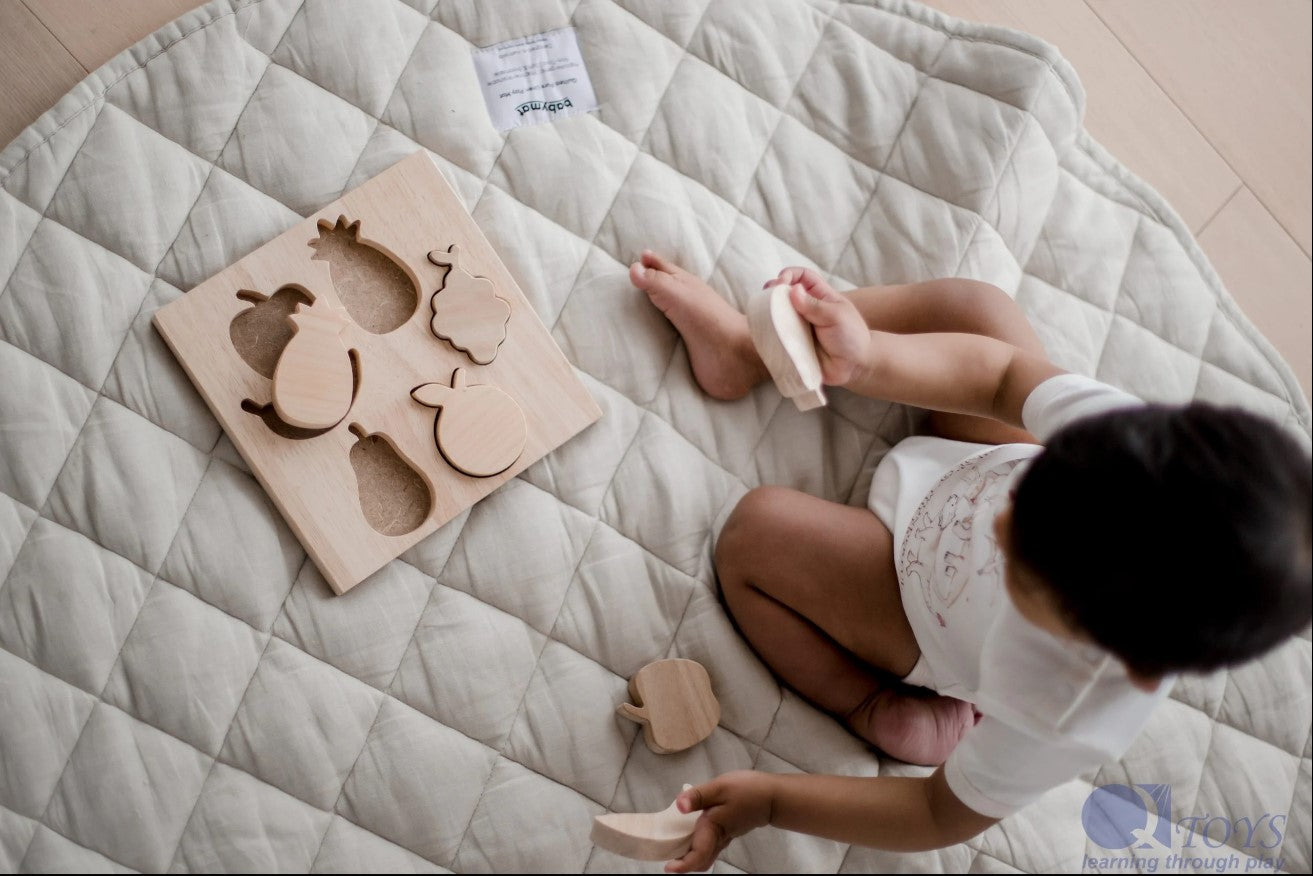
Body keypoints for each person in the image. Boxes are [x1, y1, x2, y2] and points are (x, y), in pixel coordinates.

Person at [627, 250, 1313, 872]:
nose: (1004, 522)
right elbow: (1000, 376)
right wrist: (868, 360)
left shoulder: (1063, 710)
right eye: (1036, 493)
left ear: (1127, 659)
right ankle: (753, 352)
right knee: (979, 312)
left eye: (1026, 564)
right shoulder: (1122, 447)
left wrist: (774, 801)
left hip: (915, 603)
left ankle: (871, 704)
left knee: (755, 535)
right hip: (976, 459)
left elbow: (935, 815)